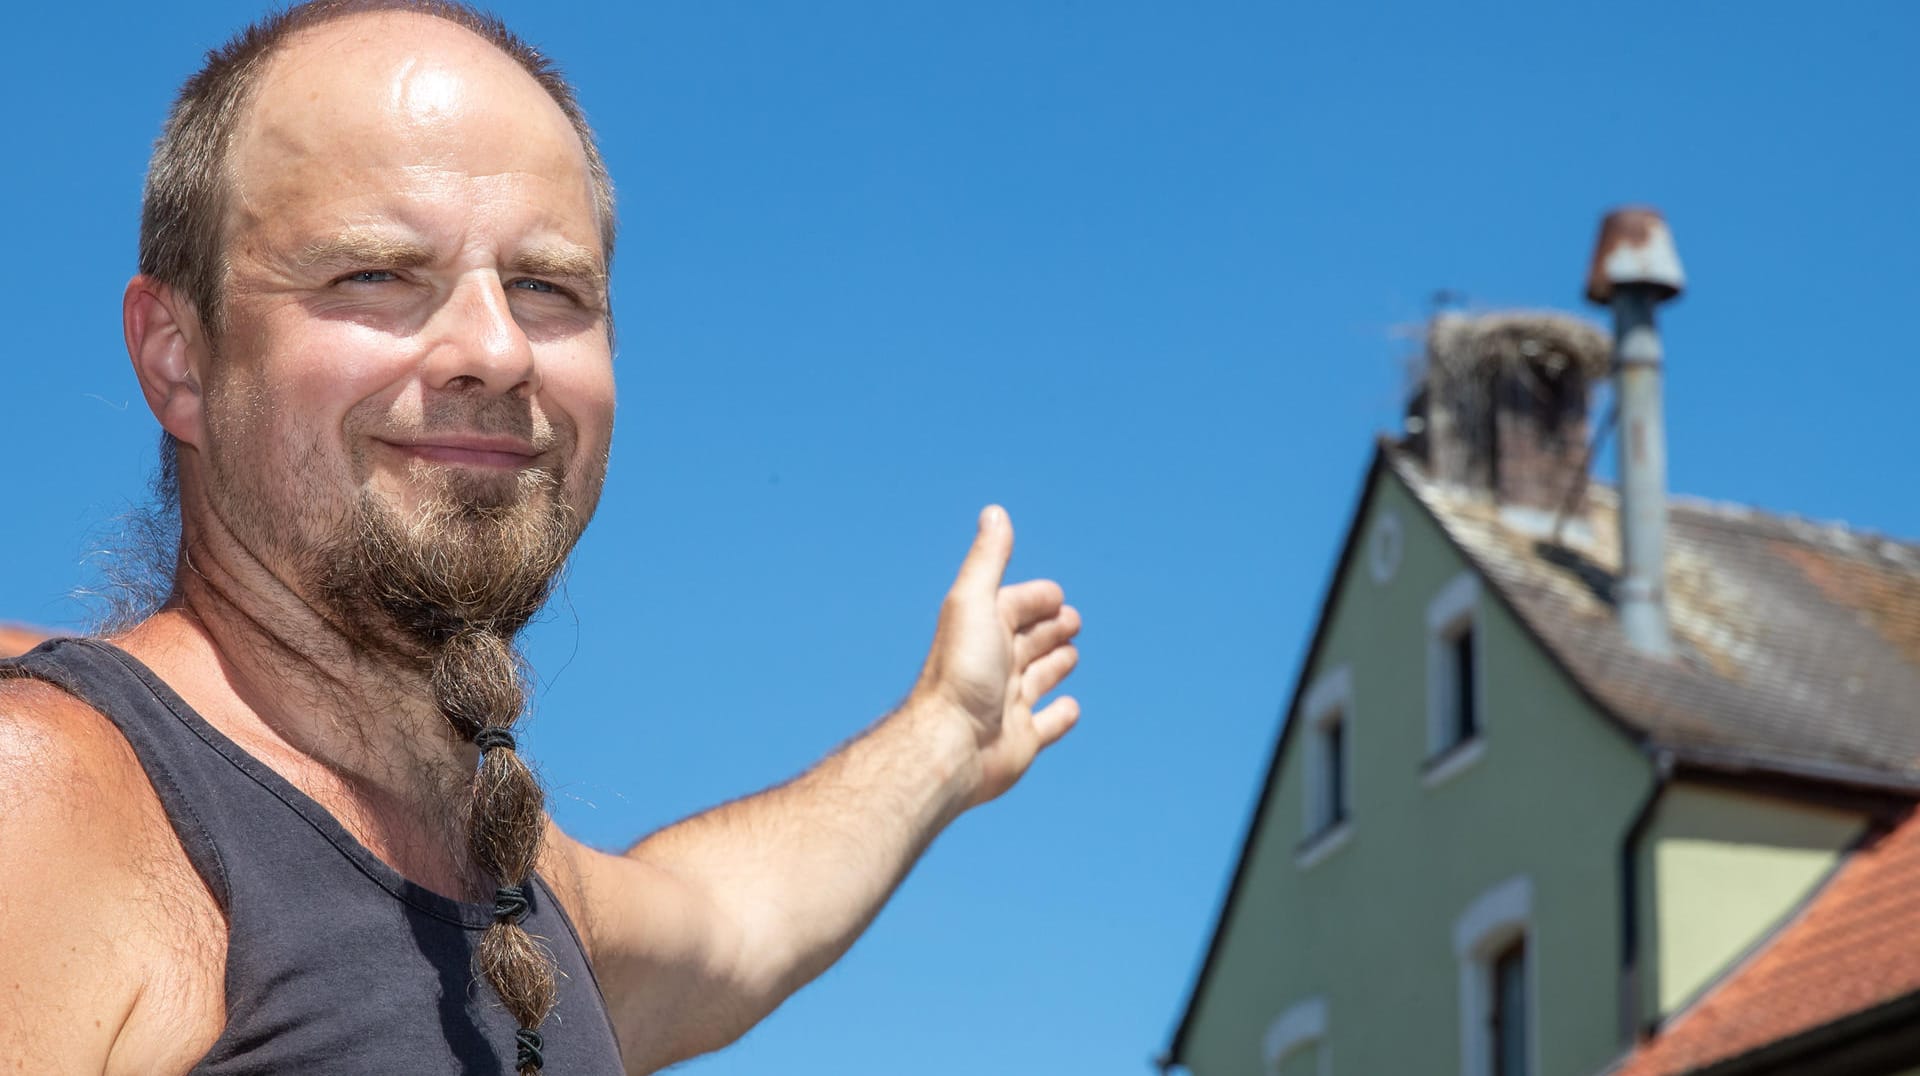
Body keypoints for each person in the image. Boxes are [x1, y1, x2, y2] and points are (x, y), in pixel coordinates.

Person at [0, 2, 1082, 1073]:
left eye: (547, 287)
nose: (496, 348)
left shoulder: (513, 889)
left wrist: (946, 731)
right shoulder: (52, 805)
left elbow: (730, 923)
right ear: (178, 357)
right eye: (375, 272)